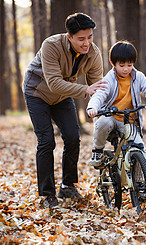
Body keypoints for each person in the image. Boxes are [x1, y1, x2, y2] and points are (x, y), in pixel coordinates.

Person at [23, 13, 106, 208]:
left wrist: (104, 105)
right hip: (37, 93)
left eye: (90, 37)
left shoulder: (93, 54)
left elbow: (98, 87)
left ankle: (67, 185)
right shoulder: (51, 45)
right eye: (81, 39)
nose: (87, 43)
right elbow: (53, 83)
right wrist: (85, 90)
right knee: (46, 141)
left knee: (72, 137)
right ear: (69, 37)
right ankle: (47, 194)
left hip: (62, 96)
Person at [87, 40, 146, 167]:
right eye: (122, 65)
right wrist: (93, 107)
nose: (126, 69)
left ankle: (138, 180)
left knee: (139, 149)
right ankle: (98, 150)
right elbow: (99, 94)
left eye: (130, 65)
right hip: (110, 117)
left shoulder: (138, 76)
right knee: (103, 122)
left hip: (129, 120)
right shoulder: (109, 79)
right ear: (113, 64)